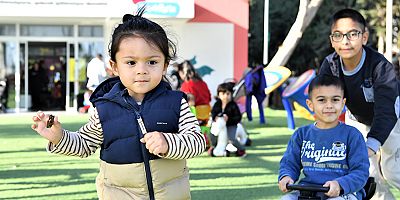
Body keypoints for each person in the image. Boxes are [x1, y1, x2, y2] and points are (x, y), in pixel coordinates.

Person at [31, 8, 206, 200]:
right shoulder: (104, 109)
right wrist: (59, 137)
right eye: (131, 62)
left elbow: (197, 142)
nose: (142, 70)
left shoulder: (176, 103)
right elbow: (84, 144)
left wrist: (168, 142)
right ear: (114, 67)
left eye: (152, 62)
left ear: (165, 65)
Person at [318, 8, 400, 200]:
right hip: (357, 119)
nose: (345, 41)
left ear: (364, 37)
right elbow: (324, 104)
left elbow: (387, 111)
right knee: (366, 175)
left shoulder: (380, 66)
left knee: (392, 170)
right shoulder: (330, 66)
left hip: (392, 120)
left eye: (352, 34)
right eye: (338, 35)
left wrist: (371, 145)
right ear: (332, 41)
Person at [278, 75, 370, 200]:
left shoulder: (352, 135)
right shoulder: (301, 134)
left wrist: (340, 184)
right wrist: (286, 176)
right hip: (308, 191)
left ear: (343, 103)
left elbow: (360, 172)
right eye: (321, 100)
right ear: (310, 105)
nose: (329, 105)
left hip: (344, 193)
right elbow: (289, 163)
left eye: (335, 100)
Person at [208, 82, 247, 157]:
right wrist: (215, 117)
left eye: (228, 94)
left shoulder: (233, 105)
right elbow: (213, 112)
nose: (225, 96)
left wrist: (229, 119)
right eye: (223, 94)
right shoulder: (217, 104)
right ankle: (213, 146)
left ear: (231, 94)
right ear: (219, 95)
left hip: (230, 125)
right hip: (219, 124)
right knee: (212, 134)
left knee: (231, 138)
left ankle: (241, 149)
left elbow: (238, 117)